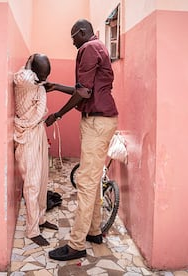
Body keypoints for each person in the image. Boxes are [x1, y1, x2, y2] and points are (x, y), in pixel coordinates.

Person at [45, 19, 118, 260]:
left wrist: (58, 114)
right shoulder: (98, 48)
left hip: (97, 122)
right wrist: (56, 87)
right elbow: (85, 88)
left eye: (73, 36)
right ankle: (94, 231)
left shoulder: (87, 49)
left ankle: (76, 245)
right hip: (103, 119)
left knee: (86, 183)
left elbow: (83, 93)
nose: (72, 41)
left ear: (82, 32)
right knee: (93, 179)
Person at [14, 53, 59, 246]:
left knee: (41, 179)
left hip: (37, 131)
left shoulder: (37, 82)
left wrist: (37, 75)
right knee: (32, 183)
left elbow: (34, 77)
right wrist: (35, 74)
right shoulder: (25, 80)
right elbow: (23, 77)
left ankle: (40, 218)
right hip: (28, 135)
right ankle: (32, 230)